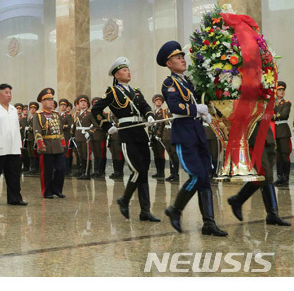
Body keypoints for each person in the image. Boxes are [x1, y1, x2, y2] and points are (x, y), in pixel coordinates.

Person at [157, 41, 227, 236]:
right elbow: (175, 107)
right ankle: (175, 210)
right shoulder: (169, 83)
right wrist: (196, 109)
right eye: (177, 57)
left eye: (182, 56)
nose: (182, 59)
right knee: (197, 175)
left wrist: (204, 112)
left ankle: (209, 222)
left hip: (197, 132)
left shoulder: (187, 81)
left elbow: (199, 100)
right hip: (184, 133)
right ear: (169, 63)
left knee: (205, 177)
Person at [91, 57, 159, 222]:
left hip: (140, 133)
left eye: (128, 69)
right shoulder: (113, 92)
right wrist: (107, 126)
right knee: (139, 171)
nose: (127, 72)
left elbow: (144, 106)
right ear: (117, 75)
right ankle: (125, 199)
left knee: (144, 172)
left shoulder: (135, 91)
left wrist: (149, 116)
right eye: (123, 70)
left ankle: (145, 211)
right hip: (126, 133)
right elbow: (96, 110)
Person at [227, 120, 290, 226]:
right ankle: (238, 199)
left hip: (266, 132)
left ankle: (272, 214)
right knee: (264, 173)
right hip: (252, 134)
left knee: (268, 176)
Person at [34, 88, 66, 198]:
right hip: (46, 146)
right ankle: (47, 191)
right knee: (46, 171)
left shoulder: (56, 114)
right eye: (48, 100)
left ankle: (57, 189)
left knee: (61, 169)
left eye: (52, 99)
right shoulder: (38, 115)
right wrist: (40, 144)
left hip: (58, 146)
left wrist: (63, 143)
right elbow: (37, 131)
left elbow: (60, 130)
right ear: (42, 102)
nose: (51, 102)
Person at [273, 81, 291, 186]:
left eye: (283, 90)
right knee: (278, 155)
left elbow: (284, 115)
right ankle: (279, 177)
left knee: (285, 154)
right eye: (279, 90)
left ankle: (285, 178)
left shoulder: (286, 103)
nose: (281, 92)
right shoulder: (272, 103)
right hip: (275, 131)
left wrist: (274, 116)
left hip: (283, 131)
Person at [71, 95, 93, 180]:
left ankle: (87, 173)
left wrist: (89, 133)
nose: (83, 103)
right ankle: (83, 172)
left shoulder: (90, 113)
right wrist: (72, 135)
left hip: (85, 137)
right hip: (78, 137)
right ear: (78, 105)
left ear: (87, 104)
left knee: (86, 155)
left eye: (85, 102)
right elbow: (75, 126)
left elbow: (96, 125)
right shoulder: (77, 114)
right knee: (81, 155)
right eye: (81, 102)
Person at [90, 97, 108, 179]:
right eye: (94, 103)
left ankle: (101, 171)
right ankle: (96, 170)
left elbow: (103, 124)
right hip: (93, 136)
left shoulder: (104, 114)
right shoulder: (91, 113)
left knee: (101, 154)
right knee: (96, 154)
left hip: (100, 136)